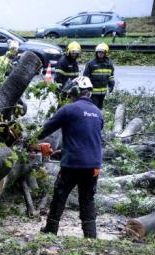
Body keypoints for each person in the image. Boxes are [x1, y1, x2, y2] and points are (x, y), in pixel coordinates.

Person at [37, 76, 104, 238]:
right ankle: (90, 235)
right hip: (94, 165)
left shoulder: (68, 109)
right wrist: (62, 152)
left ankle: (51, 230)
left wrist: (28, 142)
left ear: (74, 91)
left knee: (60, 193)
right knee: (87, 199)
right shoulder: (98, 113)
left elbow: (44, 130)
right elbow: (85, 138)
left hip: (73, 164)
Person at [83, 43, 115, 109]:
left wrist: (111, 84)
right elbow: (85, 77)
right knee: (93, 108)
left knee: (100, 109)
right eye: (99, 52)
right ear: (96, 53)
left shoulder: (109, 64)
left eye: (102, 52)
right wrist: (87, 90)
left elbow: (110, 76)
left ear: (105, 53)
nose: (100, 54)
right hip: (93, 93)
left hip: (103, 93)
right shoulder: (91, 64)